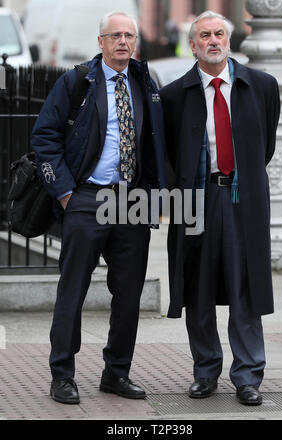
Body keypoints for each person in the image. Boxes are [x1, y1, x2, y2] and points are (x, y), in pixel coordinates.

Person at [31, 11, 166, 404]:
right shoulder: (76, 81)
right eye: (115, 35)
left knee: (129, 293)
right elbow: (45, 137)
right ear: (101, 42)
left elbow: (157, 142)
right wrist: (66, 193)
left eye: (129, 35)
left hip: (132, 200)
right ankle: (62, 374)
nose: (123, 41)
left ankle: (116, 373)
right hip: (86, 196)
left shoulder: (145, 82)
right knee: (72, 290)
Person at [160, 11, 280, 406]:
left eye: (219, 34)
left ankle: (248, 376)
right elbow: (172, 152)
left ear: (228, 40)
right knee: (198, 285)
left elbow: (265, 147)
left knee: (244, 284)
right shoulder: (175, 94)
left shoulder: (261, 85)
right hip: (197, 199)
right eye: (204, 36)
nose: (213, 40)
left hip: (243, 200)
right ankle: (205, 371)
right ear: (193, 45)